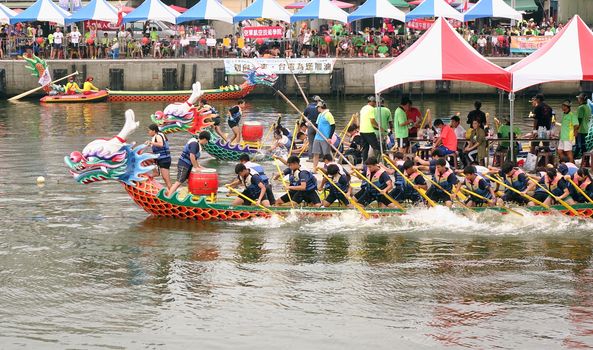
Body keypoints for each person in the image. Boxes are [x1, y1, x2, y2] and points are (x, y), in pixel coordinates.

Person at [167, 131, 211, 196]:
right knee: (179, 181)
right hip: (184, 164)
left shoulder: (197, 144)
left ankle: (189, 196)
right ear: (204, 139)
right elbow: (192, 156)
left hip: (188, 166)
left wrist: (199, 166)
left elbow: (195, 159)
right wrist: (196, 168)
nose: (206, 143)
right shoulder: (194, 144)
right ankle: (169, 197)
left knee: (190, 181)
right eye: (207, 141)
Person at [312, 102, 335, 171]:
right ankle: (314, 168)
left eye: (318, 107)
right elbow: (316, 125)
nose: (317, 109)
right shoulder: (320, 115)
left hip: (325, 138)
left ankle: (329, 169)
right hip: (317, 137)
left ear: (320, 107)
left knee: (326, 155)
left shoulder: (328, 114)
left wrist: (329, 137)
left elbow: (333, 126)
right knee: (316, 153)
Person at [147, 124, 172, 189]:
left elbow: (161, 144)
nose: (148, 132)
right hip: (159, 158)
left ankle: (171, 194)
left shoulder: (158, 135)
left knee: (166, 179)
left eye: (149, 130)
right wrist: (149, 144)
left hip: (164, 159)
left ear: (154, 131)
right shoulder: (156, 136)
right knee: (146, 157)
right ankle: (155, 172)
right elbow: (157, 147)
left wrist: (151, 143)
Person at [359, 96, 382, 162]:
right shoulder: (371, 109)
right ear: (371, 102)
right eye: (375, 102)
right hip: (369, 131)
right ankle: (377, 162)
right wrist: (379, 127)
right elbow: (372, 121)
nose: (375, 104)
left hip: (362, 131)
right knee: (377, 147)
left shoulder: (363, 108)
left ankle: (364, 163)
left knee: (365, 148)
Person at [575, 92, 591, 158]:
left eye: (578, 98)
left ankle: (574, 158)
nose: (577, 100)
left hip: (580, 130)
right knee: (583, 145)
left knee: (579, 145)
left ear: (581, 99)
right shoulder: (588, 107)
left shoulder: (581, 108)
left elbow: (579, 120)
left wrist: (575, 129)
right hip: (585, 129)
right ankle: (586, 159)